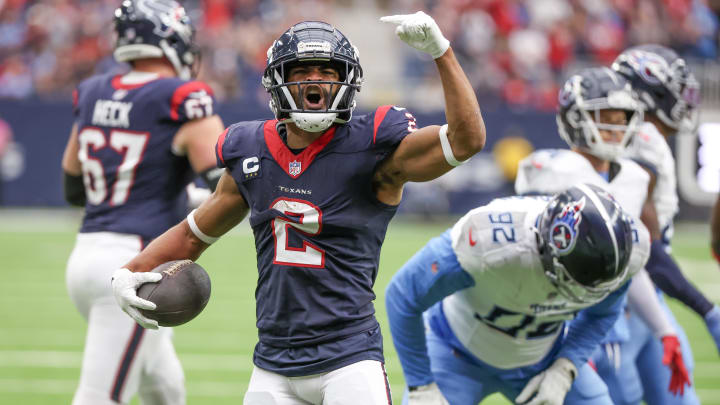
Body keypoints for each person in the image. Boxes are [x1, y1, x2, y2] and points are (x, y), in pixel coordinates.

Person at [111, 11, 486, 405]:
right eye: (301, 70)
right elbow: (192, 234)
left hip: (348, 360)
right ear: (277, 81)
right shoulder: (251, 150)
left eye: (327, 71)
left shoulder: (373, 147)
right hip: (272, 364)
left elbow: (466, 141)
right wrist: (129, 271)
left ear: (347, 81)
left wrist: (440, 52)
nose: (314, 82)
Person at [61, 1, 224, 404]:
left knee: (164, 387)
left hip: (85, 257)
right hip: (136, 265)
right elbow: (225, 182)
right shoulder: (183, 97)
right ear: (170, 38)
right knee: (101, 396)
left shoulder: (95, 90)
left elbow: (73, 186)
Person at [515, 66, 694, 404]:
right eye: (604, 116)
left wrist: (664, 329)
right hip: (549, 317)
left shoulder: (636, 177)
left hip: (607, 317)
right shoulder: (550, 170)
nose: (615, 127)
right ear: (575, 119)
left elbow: (632, 262)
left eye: (621, 117)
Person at [385, 183, 650, 405]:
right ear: (551, 247)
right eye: (578, 279)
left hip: (544, 357)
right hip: (455, 353)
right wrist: (421, 384)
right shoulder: (491, 243)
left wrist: (565, 367)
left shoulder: (626, 254)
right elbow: (403, 295)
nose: (583, 294)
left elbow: (604, 313)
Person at [594, 43, 720, 405]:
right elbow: (643, 249)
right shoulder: (641, 139)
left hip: (644, 302)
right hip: (617, 307)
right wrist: (706, 309)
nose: (684, 99)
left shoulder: (643, 140)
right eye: (673, 90)